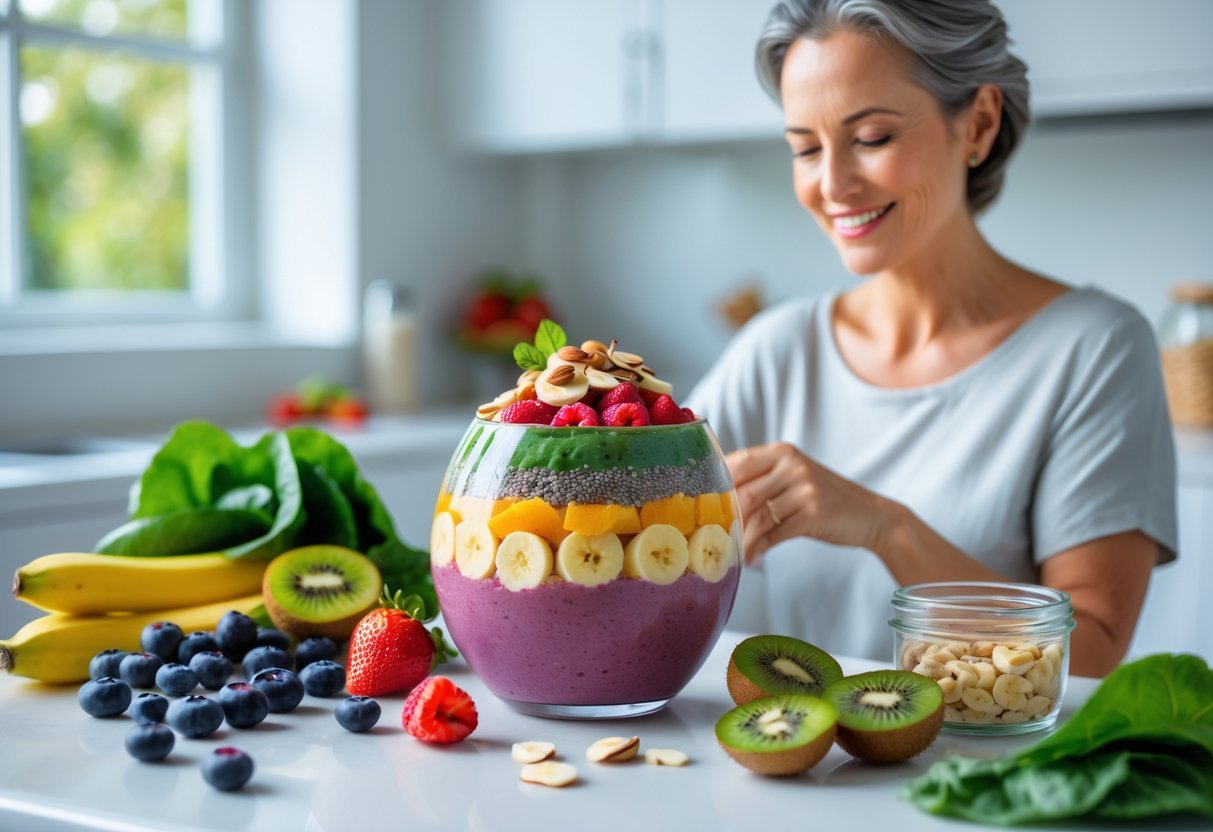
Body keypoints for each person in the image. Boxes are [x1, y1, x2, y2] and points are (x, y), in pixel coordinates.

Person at [686, 0, 1177, 678]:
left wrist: (887, 528)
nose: (831, 184)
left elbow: (1089, 656)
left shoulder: (1093, 349)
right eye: (804, 147)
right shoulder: (772, 352)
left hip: (979, 775)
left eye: (871, 138)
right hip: (784, 770)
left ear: (976, 123)